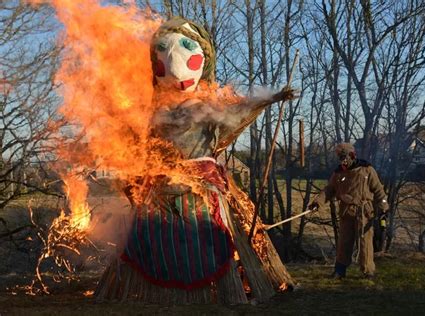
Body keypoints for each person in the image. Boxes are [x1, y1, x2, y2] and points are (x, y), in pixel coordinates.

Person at [95, 17, 296, 304]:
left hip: (201, 187)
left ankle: (228, 287)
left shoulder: (209, 108)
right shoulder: (153, 114)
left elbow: (239, 111)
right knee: (149, 235)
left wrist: (270, 98)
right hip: (160, 185)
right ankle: (145, 289)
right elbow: (140, 145)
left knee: (210, 234)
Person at [309, 143, 388, 279]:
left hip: (364, 212)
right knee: (344, 242)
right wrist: (317, 203)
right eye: (340, 157)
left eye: (344, 157)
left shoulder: (367, 170)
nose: (343, 161)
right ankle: (340, 270)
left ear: (352, 155)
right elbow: (329, 190)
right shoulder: (338, 173)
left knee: (365, 243)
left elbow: (379, 191)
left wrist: (383, 208)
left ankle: (368, 271)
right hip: (346, 212)